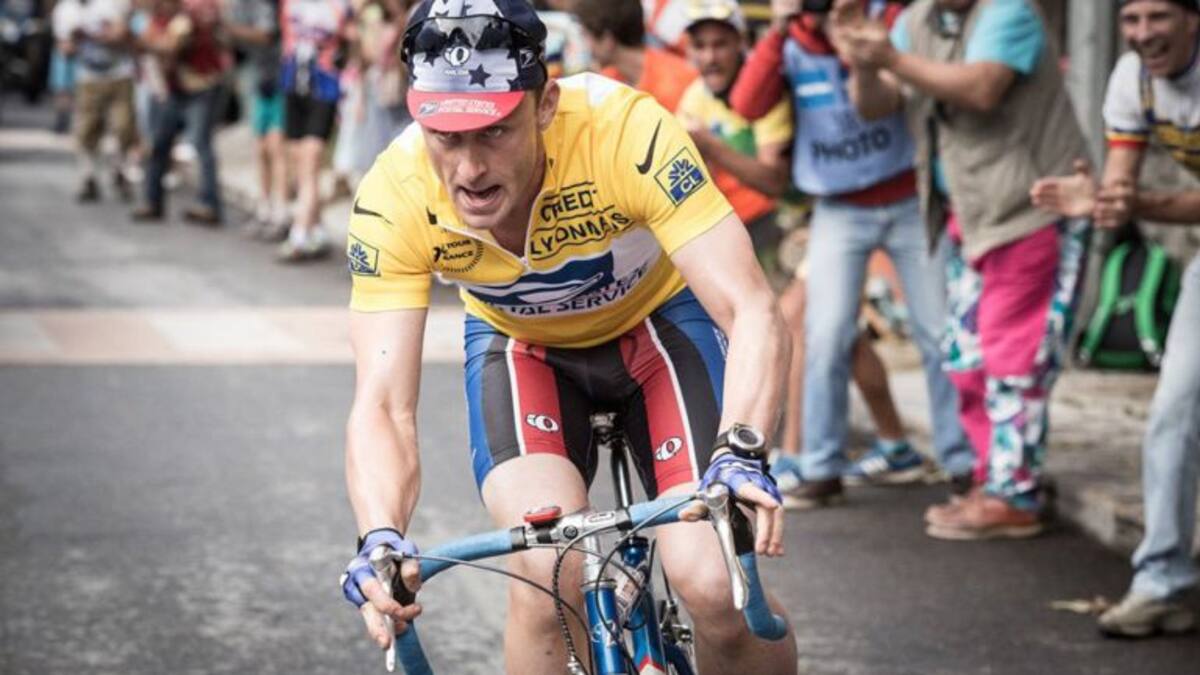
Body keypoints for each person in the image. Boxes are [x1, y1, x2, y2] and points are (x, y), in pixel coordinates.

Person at [338, 1, 798, 672]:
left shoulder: (625, 131)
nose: (469, 169)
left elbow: (751, 307)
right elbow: (382, 402)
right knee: (545, 575)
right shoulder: (393, 194)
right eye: (445, 135)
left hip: (658, 328)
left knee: (714, 581)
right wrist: (379, 534)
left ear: (545, 104)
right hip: (523, 351)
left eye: (495, 130)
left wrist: (742, 452)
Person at [835, 0, 1089, 539]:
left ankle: (1014, 494)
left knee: (1013, 362)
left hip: (1033, 211)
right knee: (966, 359)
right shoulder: (916, 21)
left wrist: (889, 56)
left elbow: (981, 87)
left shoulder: (1009, 12)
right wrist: (863, 60)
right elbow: (875, 106)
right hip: (969, 220)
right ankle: (990, 480)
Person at [729, 0, 973, 507]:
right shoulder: (792, 40)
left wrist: (855, 36)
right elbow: (747, 104)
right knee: (826, 335)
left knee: (937, 331)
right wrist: (778, 30)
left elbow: (882, 99)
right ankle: (821, 467)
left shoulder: (888, 19)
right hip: (838, 206)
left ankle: (964, 464)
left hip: (907, 196)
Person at [1031, 0, 1200, 638]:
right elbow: (1124, 193)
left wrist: (1134, 201)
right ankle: (1163, 583)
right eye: (1130, 19)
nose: (1142, 34)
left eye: (1158, 17)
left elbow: (1148, 200)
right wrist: (1102, 201)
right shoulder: (1134, 78)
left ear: (1193, 19)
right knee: (1174, 412)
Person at [133, 0, 231, 224]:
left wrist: (140, 42)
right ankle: (152, 201)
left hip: (201, 87)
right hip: (175, 90)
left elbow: (171, 47)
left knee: (201, 144)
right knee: (159, 143)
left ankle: (209, 204)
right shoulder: (158, 20)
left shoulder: (188, 18)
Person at [277, 0, 354, 261]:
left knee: (310, 164)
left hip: (324, 89)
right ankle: (317, 228)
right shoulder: (290, 4)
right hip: (293, 85)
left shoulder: (340, 6)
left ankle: (298, 235)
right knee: (299, 165)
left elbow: (353, 38)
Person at [52, 0, 140, 202]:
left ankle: (120, 171)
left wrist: (91, 35)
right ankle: (88, 177)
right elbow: (64, 48)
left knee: (124, 126)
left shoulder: (113, 3)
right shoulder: (66, 10)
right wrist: (74, 41)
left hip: (119, 74)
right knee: (87, 130)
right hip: (88, 77)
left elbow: (122, 35)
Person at [223, 0, 291, 240]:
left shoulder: (269, 5)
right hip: (260, 79)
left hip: (281, 80)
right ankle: (264, 208)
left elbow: (265, 34)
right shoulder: (242, 6)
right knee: (261, 147)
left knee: (276, 147)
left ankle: (281, 211)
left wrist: (230, 29)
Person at [573, 0, 697, 113]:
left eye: (585, 35)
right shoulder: (608, 79)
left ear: (607, 39)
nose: (585, 45)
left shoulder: (674, 82)